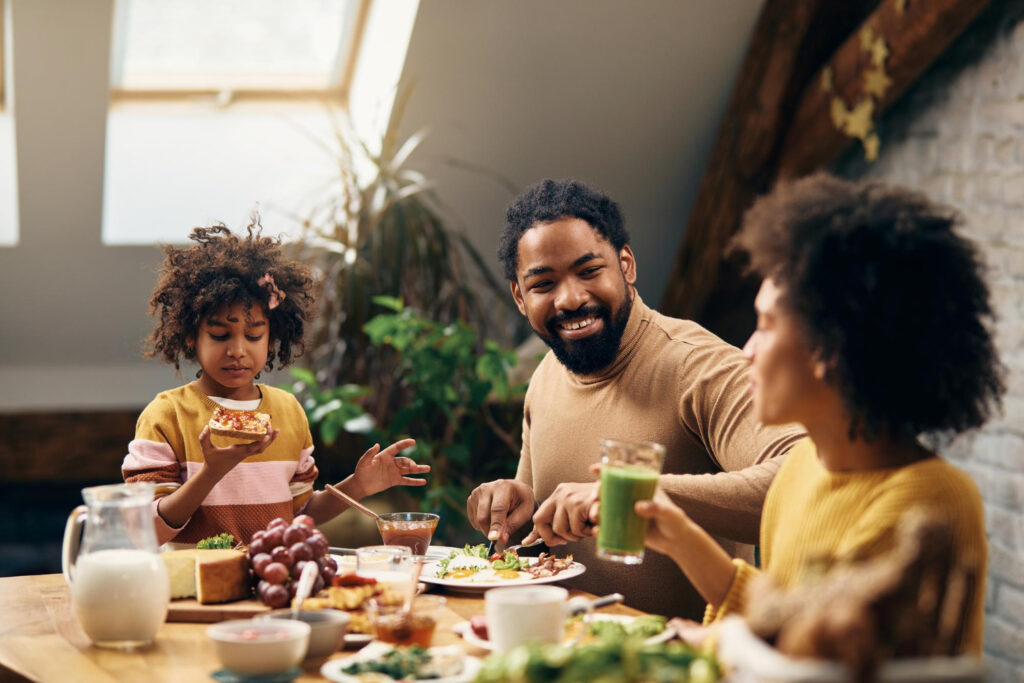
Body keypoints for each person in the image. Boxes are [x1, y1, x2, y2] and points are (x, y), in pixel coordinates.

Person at [607, 173, 1003, 654]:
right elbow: (788, 612)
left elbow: (816, 657)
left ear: (829, 348)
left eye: (767, 325)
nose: (748, 350)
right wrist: (684, 542)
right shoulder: (801, 467)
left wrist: (714, 642)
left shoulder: (928, 503)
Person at [466, 179, 805, 618]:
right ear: (519, 296)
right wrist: (514, 501)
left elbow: (801, 478)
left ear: (626, 265)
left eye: (589, 271)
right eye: (543, 284)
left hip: (685, 661)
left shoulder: (698, 366)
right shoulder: (547, 375)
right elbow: (543, 517)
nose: (570, 298)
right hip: (567, 654)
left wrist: (630, 495)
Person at [122, 222, 429, 545]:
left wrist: (358, 486)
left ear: (272, 339)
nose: (238, 350)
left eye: (254, 335)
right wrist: (211, 473)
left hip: (271, 588)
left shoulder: (287, 410)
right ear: (189, 337)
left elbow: (300, 511)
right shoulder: (166, 415)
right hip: (194, 592)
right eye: (219, 335)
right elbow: (146, 530)